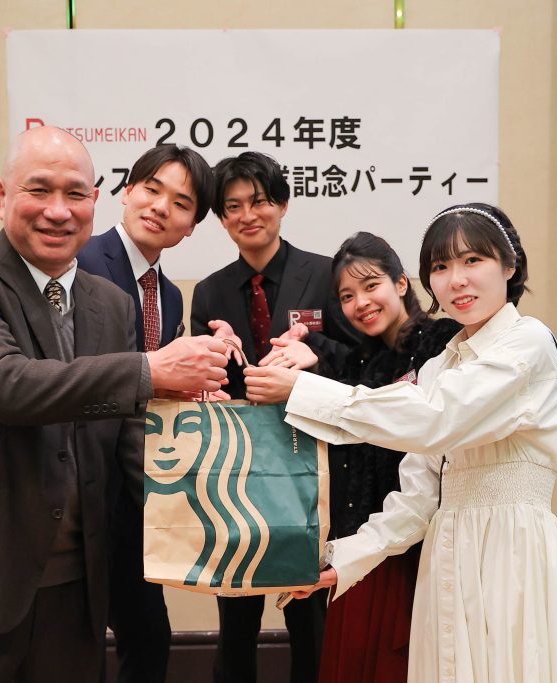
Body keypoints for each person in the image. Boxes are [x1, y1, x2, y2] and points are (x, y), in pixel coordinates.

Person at [0, 126, 228, 683]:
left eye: (75, 194)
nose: (58, 211)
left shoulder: (111, 303)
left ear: (95, 200)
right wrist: (150, 370)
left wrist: (223, 515)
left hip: (75, 591)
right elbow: (7, 385)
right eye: (39, 190)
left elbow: (128, 440)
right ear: (1, 195)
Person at [245, 204, 557, 682]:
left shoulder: (528, 342)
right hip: (446, 560)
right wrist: (343, 560)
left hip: (512, 554)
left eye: (473, 260)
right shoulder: (440, 366)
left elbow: (436, 418)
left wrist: (304, 391)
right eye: (441, 266)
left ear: (509, 265)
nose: (457, 280)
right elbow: (416, 500)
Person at [190, 151, 359, 683]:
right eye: (233, 206)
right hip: (236, 471)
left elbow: (359, 359)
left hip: (311, 465)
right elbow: (201, 383)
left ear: (282, 205)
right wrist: (212, 366)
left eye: (259, 201)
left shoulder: (326, 274)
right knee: (235, 612)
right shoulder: (210, 291)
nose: (248, 215)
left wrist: (314, 354)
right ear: (221, 218)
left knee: (309, 614)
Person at [261, 231, 460, 682]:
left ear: (401, 283)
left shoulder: (439, 342)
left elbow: (404, 419)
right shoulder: (362, 362)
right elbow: (347, 401)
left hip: (416, 547)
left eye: (371, 286)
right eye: (347, 296)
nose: (361, 303)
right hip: (361, 547)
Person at [78, 143, 215, 683]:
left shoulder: (171, 297)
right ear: (127, 190)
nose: (161, 207)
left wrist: (195, 390)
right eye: (152, 189)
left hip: (137, 493)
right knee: (80, 640)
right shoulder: (81, 262)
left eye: (181, 203)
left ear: (191, 226)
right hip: (82, 488)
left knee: (149, 637)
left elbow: (152, 386)